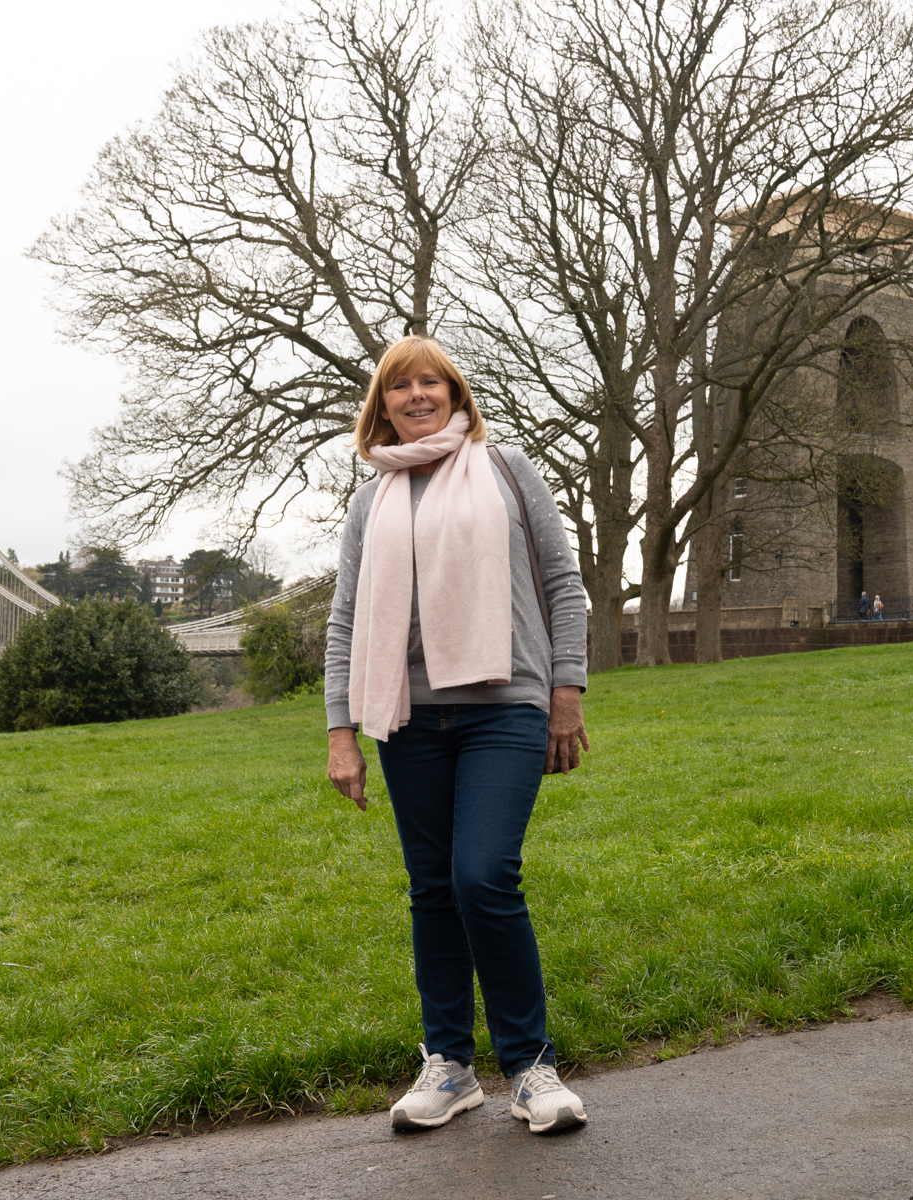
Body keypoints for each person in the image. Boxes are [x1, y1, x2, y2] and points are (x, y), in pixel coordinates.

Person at [323, 335, 592, 1136]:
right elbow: (345, 619)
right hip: (408, 716)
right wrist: (341, 731)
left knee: (482, 877)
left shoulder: (505, 470)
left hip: (504, 704)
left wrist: (566, 692)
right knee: (432, 889)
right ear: (382, 406)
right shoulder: (373, 498)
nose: (415, 395)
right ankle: (449, 1066)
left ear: (455, 393)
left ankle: (531, 1067)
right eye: (398, 386)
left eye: (429, 382)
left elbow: (561, 583)